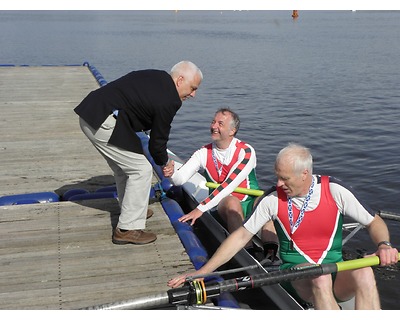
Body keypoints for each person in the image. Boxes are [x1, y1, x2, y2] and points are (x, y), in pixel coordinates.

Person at [167, 143, 399, 310]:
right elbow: (239, 237)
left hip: (334, 270)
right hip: (296, 277)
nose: (278, 184)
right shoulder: (272, 200)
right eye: (277, 176)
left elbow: (374, 221)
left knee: (365, 272)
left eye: (284, 179)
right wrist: (202, 272)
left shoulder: (336, 191)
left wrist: (384, 244)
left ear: (305, 174)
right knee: (320, 278)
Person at [75, 61, 203, 245]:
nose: (193, 94)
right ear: (180, 80)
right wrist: (165, 163)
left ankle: (132, 210)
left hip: (91, 113)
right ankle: (127, 229)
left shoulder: (157, 76)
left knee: (124, 168)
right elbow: (157, 143)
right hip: (103, 119)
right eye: (192, 88)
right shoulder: (170, 99)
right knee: (141, 170)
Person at [163, 107, 278, 259]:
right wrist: (171, 174)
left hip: (247, 201)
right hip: (221, 205)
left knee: (268, 202)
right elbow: (180, 179)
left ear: (232, 131)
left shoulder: (246, 152)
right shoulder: (203, 153)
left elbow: (230, 183)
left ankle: (271, 253)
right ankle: (249, 252)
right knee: (232, 202)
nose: (214, 126)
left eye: (220, 124)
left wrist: (200, 208)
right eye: (213, 122)